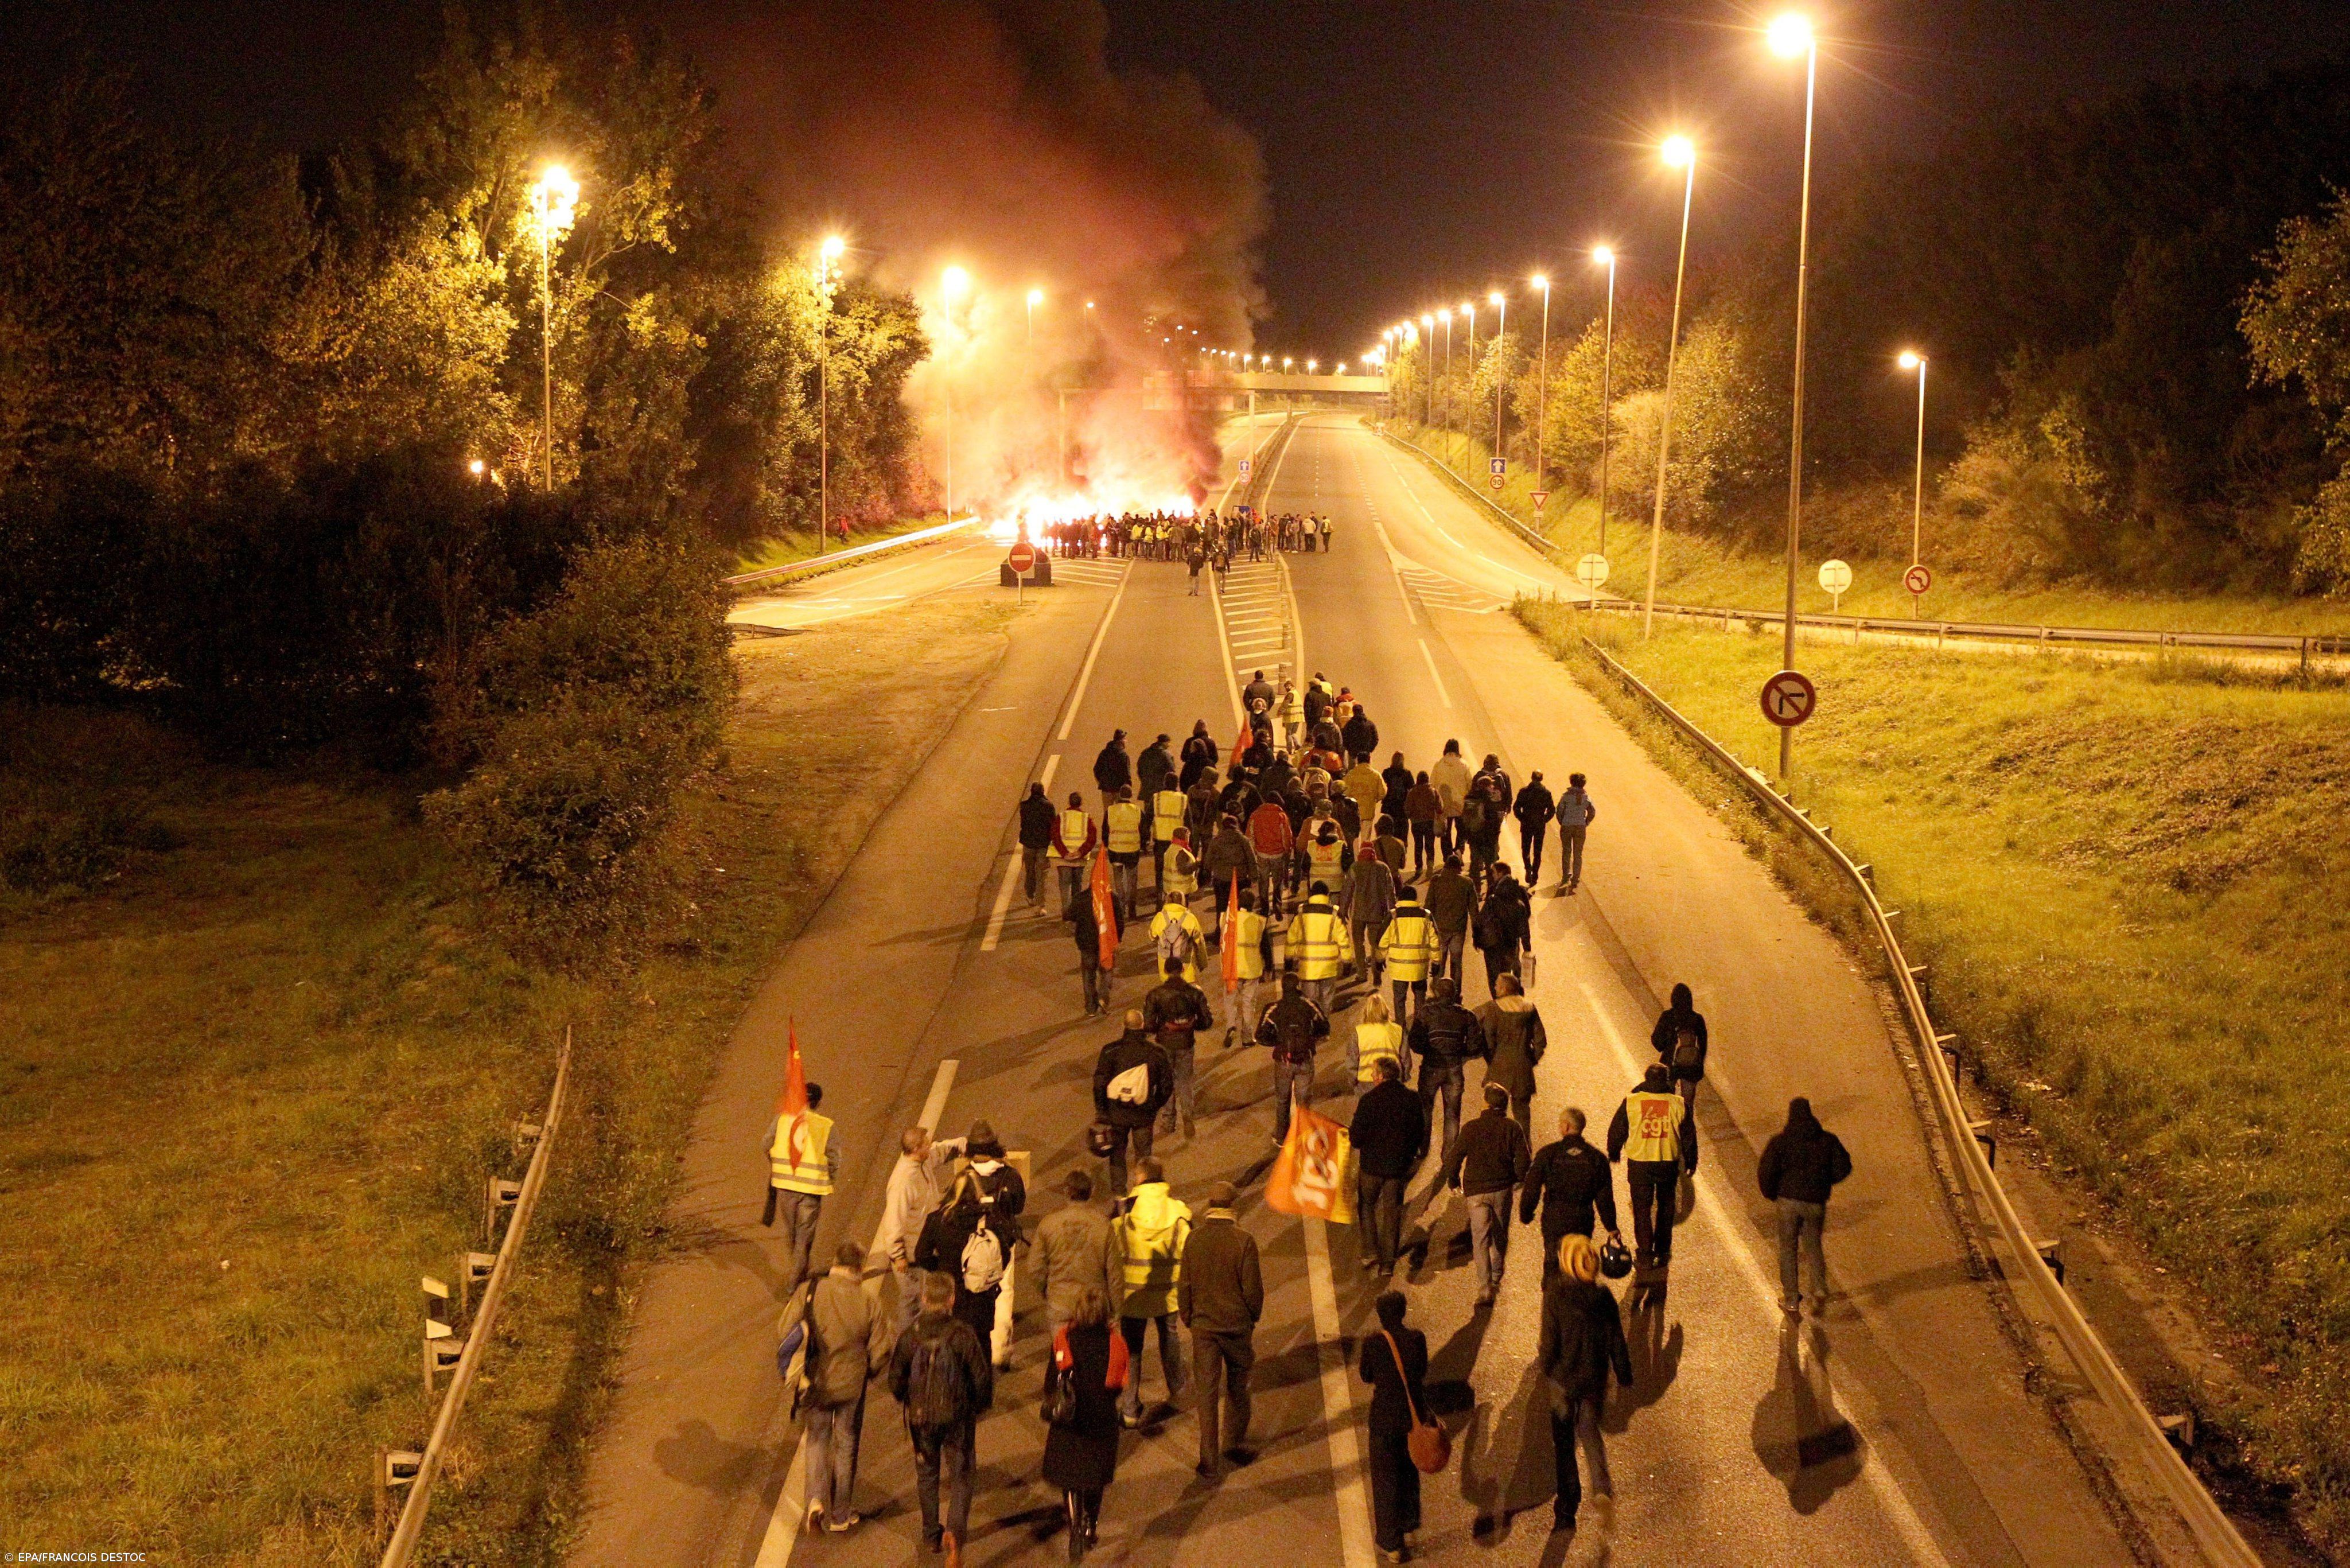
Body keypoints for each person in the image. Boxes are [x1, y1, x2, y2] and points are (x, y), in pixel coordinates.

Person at [889, 1271, 993, 1567]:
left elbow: (896, 1380)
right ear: (951, 1300)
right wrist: (978, 1406)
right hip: (957, 1418)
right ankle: (955, 1536)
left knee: (927, 1474)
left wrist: (907, 1399)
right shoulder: (962, 1334)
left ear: (924, 1299)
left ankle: (931, 1534)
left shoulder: (911, 1336)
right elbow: (981, 1379)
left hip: (922, 1421)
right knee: (962, 1476)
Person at [1540, 1235, 1633, 1535]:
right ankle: (1602, 1489)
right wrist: (1624, 1373)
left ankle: (1566, 1510)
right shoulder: (1604, 1298)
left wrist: (1547, 1368)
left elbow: (1549, 1343)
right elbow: (1617, 1340)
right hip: (1593, 1379)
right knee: (1591, 1435)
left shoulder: (1555, 1295)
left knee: (1565, 1447)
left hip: (1563, 1383)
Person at [802, 1240, 894, 1535]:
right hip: (852, 1386)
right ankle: (840, 1514)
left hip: (817, 1380)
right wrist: (868, 1372)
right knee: (845, 1445)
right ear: (859, 1268)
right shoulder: (870, 1302)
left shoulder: (812, 1291)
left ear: (835, 1261)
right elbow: (881, 1351)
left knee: (817, 1439)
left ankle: (815, 1500)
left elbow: (785, 1330)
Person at [916, 1127, 1026, 1361]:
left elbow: (922, 1255)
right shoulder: (1009, 1179)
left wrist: (943, 1268)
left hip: (954, 1291)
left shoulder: (939, 1219)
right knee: (1004, 1296)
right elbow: (1018, 1208)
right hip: (993, 1260)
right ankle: (1000, 1352)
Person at [1179, 1180, 1264, 1477]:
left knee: (1206, 1392)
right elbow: (1253, 1290)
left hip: (1204, 1329)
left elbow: (1185, 1283)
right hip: (1237, 1327)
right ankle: (1233, 1443)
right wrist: (1252, 1316)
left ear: (1210, 1206)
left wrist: (1188, 1316)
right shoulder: (1244, 1241)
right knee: (1238, 1387)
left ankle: (1209, 1459)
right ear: (1233, 1207)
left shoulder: (1194, 1240)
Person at [1044, 1282, 1127, 1563]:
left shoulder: (1064, 1340)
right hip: (1101, 1419)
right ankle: (1092, 1525)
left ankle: (1075, 1530)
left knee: (1070, 1480)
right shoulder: (1115, 1343)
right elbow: (1118, 1385)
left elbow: (1050, 1383)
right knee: (1095, 1478)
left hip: (1070, 1420)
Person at [1110, 1156, 1191, 1426]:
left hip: (1132, 1295)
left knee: (1133, 1350)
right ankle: (1178, 1393)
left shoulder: (1124, 1210)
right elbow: (1187, 1251)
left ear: (1140, 1178)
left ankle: (1130, 1409)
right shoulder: (1177, 1210)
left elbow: (1114, 1251)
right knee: (1169, 1340)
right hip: (1167, 1291)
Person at [1757, 1097, 1853, 1315]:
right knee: (1813, 1246)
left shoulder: (1780, 1142)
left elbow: (1766, 1172)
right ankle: (1819, 1288)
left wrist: (1773, 1194)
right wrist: (1825, 1183)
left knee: (1788, 1249)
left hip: (1788, 1202)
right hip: (1815, 1203)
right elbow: (1843, 1167)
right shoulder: (1828, 1141)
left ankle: (1791, 1298)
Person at [1359, 1291, 1430, 1565]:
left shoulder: (1374, 1343)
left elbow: (1366, 1376)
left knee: (1385, 1479)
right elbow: (1422, 1371)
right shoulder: (1417, 1339)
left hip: (1384, 1420)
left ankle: (1391, 1543)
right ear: (1403, 1312)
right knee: (1408, 1472)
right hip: (1412, 1420)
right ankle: (1408, 1519)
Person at [1445, 1083, 1531, 1307]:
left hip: (1476, 1192)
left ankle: (1484, 1288)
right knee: (1500, 1235)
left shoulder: (1471, 1128)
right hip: (1502, 1189)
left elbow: (1454, 1158)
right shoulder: (1513, 1128)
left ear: (1486, 1103)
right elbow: (1524, 1162)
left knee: (1480, 1239)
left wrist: (1453, 1181)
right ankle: (1495, 1277)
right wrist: (1516, 1178)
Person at [1606, 1064, 1698, 1272]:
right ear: (1666, 1080)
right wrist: (1691, 1161)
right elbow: (1689, 1136)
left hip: (1640, 1163)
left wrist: (1614, 1152)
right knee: (1666, 1208)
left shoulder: (1632, 1102)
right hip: (1668, 1162)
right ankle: (1663, 1251)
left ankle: (1646, 1255)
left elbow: (1617, 1130)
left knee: (1642, 1210)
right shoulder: (1679, 1104)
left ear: (1646, 1078)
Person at [882, 1124, 971, 1336]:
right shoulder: (903, 1182)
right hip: (912, 1255)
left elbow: (942, 1151)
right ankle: (911, 1340)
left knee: (917, 1300)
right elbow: (894, 1221)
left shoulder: (922, 1161)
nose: (930, 1146)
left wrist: (964, 1145)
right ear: (915, 1149)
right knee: (916, 1301)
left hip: (924, 1245)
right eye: (926, 1144)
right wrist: (898, 1256)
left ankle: (915, 1339)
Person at [1522, 1108, 1622, 1284]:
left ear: (1566, 1127)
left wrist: (1526, 1212)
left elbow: (1532, 1187)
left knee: (1553, 1262)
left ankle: (1552, 1303)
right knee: (1579, 1263)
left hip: (1555, 1219)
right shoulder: (1597, 1158)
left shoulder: (1548, 1154)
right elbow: (1605, 1197)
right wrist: (1611, 1227)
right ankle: (1578, 1301)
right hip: (1582, 1219)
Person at [1349, 1057, 1427, 1274]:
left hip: (1371, 1167)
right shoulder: (1411, 1099)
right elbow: (1419, 1132)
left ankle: (1370, 1251)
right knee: (1392, 1213)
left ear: (1382, 1076)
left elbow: (1355, 1139)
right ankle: (1387, 1263)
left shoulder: (1368, 1101)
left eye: (1374, 1073)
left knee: (1366, 1206)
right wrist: (1410, 1155)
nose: (1373, 1077)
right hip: (1397, 1167)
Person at [1408, 975, 1486, 1172]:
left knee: (1425, 1108)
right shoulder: (1466, 1016)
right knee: (1452, 1114)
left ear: (1436, 994)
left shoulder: (1426, 1013)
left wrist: (1428, 1050)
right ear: (1455, 995)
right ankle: (1449, 1156)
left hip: (1431, 1068)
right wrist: (1461, 1052)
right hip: (1454, 1070)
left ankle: (1422, 1148)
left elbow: (1415, 1040)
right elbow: (1476, 1044)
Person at [765, 1081, 837, 1291]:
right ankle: (795, 1284)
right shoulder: (825, 1125)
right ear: (818, 1102)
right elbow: (835, 1158)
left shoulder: (782, 1119)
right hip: (810, 1190)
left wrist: (778, 1164)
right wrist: (828, 1178)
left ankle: (801, 1271)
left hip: (786, 1187)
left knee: (795, 1235)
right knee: (804, 1238)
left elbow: (766, 1144)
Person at [1093, 1009, 1173, 1196]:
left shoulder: (1111, 1051)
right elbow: (1167, 1086)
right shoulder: (1156, 1053)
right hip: (1143, 1115)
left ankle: (1119, 1197)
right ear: (1142, 1026)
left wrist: (1102, 1111)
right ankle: (1143, 1195)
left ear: (1124, 1026)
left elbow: (1099, 1084)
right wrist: (1154, 1105)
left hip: (1116, 1114)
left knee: (1117, 1156)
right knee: (1144, 1158)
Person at [1035, 1169, 1116, 1332]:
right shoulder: (1103, 1225)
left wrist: (1047, 1291)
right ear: (1092, 1192)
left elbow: (1036, 1267)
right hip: (1094, 1305)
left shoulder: (1049, 1224)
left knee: (1063, 1354)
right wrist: (1116, 1310)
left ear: (1066, 1191)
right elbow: (1115, 1273)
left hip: (1061, 1301)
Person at [1254, 971, 1330, 1142]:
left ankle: (1282, 1136)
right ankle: (1303, 1135)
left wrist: (1278, 1043)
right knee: (1303, 1102)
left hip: (1283, 1061)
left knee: (1282, 1100)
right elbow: (1324, 1026)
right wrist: (1311, 1039)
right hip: (1306, 1058)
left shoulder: (1274, 1008)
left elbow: (1260, 1035)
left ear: (1282, 988)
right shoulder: (1310, 1006)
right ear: (1299, 987)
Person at [1145, 956, 1214, 1140]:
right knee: (1185, 1080)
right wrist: (1191, 1026)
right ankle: (1188, 1115)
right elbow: (1207, 1021)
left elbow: (1149, 1026)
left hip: (1164, 1044)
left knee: (1166, 1082)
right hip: (1186, 1043)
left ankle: (1168, 1121)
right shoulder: (1195, 993)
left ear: (1166, 971)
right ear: (1183, 970)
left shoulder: (1156, 994)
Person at [1474, 972, 1547, 1138]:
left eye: (1497, 985)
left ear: (1505, 989)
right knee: (1522, 1115)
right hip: (1522, 1069)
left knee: (1492, 1113)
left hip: (1499, 1068)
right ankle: (1524, 1149)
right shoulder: (1529, 1008)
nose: (1495, 988)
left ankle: (1496, 1149)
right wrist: (1530, 1060)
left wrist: (1493, 1059)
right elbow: (1541, 1040)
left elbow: (1489, 1039)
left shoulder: (1494, 1008)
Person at [1219, 886, 1275, 1046]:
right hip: (1252, 968)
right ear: (1253, 904)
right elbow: (1266, 947)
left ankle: (1231, 1025)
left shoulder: (1226, 919)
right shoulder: (1258, 921)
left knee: (1230, 1000)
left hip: (1232, 966)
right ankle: (1247, 1037)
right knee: (1248, 1002)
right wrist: (1269, 967)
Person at [1343, 831, 1399, 982]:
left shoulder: (1355, 868)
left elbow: (1348, 891)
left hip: (1358, 913)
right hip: (1377, 913)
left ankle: (1362, 973)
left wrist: (1343, 911)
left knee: (1359, 943)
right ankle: (1376, 973)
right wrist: (1392, 912)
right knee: (1376, 944)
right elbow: (1390, 893)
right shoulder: (1383, 868)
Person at [1472, 864, 1532, 999]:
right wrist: (1527, 949)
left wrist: (1478, 940)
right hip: (1511, 944)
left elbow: (1480, 921)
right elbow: (1525, 926)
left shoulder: (1493, 899)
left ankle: (1499, 1001)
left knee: (1494, 977)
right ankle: (1512, 998)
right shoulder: (1520, 902)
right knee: (1507, 973)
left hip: (1493, 946)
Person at [1651, 982, 1709, 1118]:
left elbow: (1657, 1041)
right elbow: (1703, 1046)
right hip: (1691, 1068)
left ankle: (1667, 1130)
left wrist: (1667, 1044)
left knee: (1665, 1101)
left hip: (1670, 1066)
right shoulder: (1697, 1019)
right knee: (1687, 1105)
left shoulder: (1668, 1016)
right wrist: (1698, 1065)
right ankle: (1686, 1132)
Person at [1423, 855, 1474, 985]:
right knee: (1456, 963)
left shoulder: (1436, 881)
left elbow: (1429, 905)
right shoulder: (1467, 883)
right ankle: (1455, 993)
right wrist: (1477, 931)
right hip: (1458, 929)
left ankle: (1438, 992)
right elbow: (1474, 910)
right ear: (1458, 868)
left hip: (1439, 929)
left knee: (1439, 961)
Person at [1073, 881, 1118, 1017]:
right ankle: (1103, 998)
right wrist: (1118, 938)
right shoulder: (1112, 898)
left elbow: (1068, 914)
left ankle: (1091, 1008)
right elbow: (1120, 920)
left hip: (1087, 945)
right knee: (1106, 971)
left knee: (1088, 976)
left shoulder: (1081, 898)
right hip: (1106, 943)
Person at [1247, 791, 1295, 915]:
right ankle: (1277, 904)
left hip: (1261, 853)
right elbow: (1287, 835)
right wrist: (1287, 850)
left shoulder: (1255, 815)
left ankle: (1264, 906)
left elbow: (1250, 835)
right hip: (1278, 854)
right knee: (1277, 880)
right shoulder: (1281, 816)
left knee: (1263, 880)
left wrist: (1254, 852)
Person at [1052, 790, 1098, 919]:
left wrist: (1065, 853)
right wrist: (1080, 852)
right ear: (1081, 803)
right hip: (1079, 859)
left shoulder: (1061, 817)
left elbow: (1055, 836)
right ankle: (1075, 914)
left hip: (1064, 860)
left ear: (1069, 802)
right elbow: (1092, 838)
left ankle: (1066, 914)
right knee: (1077, 887)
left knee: (1065, 886)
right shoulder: (1086, 818)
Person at [1104, 785, 1146, 923]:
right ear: (1131, 795)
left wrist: (1107, 844)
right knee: (1132, 880)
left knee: (1118, 877)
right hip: (1132, 850)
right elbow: (1145, 831)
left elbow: (1105, 830)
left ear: (1119, 795)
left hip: (1115, 850)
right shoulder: (1137, 811)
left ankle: (1121, 904)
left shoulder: (1111, 810)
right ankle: (1132, 909)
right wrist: (1143, 845)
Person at [1149, 888, 1206, 986]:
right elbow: (1199, 942)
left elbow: (1152, 936)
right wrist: (1202, 963)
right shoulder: (1190, 918)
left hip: (1166, 968)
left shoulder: (1160, 917)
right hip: (1186, 967)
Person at [1353, 990, 1406, 1090]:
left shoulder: (1358, 1032)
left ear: (1367, 1011)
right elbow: (1405, 1059)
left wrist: (1354, 1082)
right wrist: (1403, 1077)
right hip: (1393, 1079)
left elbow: (1352, 1061)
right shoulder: (1398, 1030)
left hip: (1366, 1081)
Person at [1512, 771, 1556, 887]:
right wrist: (1544, 820)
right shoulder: (1546, 793)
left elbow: (1516, 807)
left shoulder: (1525, 791)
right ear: (1542, 779)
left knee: (1526, 850)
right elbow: (1552, 810)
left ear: (1532, 778)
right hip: (1539, 826)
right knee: (1538, 852)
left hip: (1527, 825)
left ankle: (1528, 868)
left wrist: (1522, 818)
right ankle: (1535, 874)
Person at [1020, 783, 1057, 915]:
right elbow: (1053, 826)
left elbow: (1023, 824)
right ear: (1043, 791)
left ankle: (1030, 895)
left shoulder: (1024, 806)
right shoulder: (1048, 806)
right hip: (1043, 845)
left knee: (1030, 871)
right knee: (1042, 875)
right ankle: (1041, 905)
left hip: (1028, 844)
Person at [1555, 772, 1596, 893]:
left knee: (1566, 851)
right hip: (1580, 827)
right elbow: (1592, 812)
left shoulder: (1566, 797)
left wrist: (1562, 822)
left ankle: (1565, 876)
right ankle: (1576, 878)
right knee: (1578, 853)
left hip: (1567, 826)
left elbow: (1559, 811)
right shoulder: (1586, 797)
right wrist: (1586, 822)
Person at [1430, 741, 1472, 855]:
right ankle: (1459, 850)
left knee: (1446, 832)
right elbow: (1470, 784)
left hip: (1444, 805)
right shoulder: (1464, 765)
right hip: (1460, 804)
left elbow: (1432, 784)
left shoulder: (1439, 764)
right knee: (1461, 830)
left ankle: (1447, 856)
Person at [1403, 772, 1441, 879]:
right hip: (1430, 821)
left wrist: (1411, 816)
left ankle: (1419, 867)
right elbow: (1440, 807)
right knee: (1430, 844)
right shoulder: (1433, 791)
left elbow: (1407, 809)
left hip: (1416, 823)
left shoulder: (1412, 792)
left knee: (1418, 845)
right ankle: (1430, 864)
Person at [1092, 730, 1133, 812]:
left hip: (1106, 789)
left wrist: (1102, 782)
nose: (1126, 742)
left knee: (1107, 814)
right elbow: (1127, 774)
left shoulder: (1104, 753)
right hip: (1119, 790)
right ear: (1121, 741)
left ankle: (1106, 826)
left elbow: (1097, 769)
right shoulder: (1124, 756)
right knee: (1120, 814)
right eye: (1125, 740)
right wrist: (1128, 787)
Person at [1178, 721, 1219, 792]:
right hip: (1206, 781)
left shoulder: (1189, 741)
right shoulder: (1210, 742)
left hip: (1191, 781)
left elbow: (1183, 757)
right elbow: (1215, 759)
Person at [1138, 732, 1177, 802]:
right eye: (1168, 743)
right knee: (1160, 809)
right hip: (1161, 789)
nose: (1169, 745)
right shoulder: (1166, 755)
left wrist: (1144, 780)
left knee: (1148, 809)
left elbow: (1140, 769)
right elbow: (1171, 771)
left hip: (1147, 788)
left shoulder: (1145, 753)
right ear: (1165, 742)